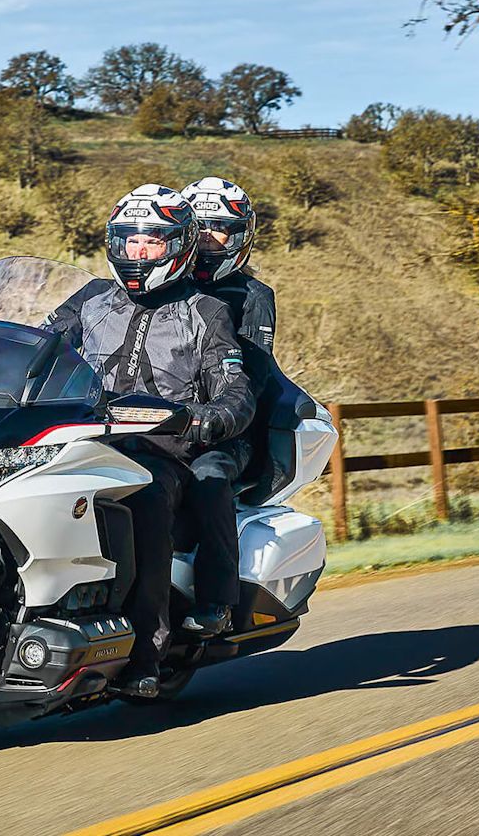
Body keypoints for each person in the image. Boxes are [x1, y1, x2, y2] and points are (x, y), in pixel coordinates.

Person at [43, 184, 255, 698]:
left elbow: (236, 383)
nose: (137, 254)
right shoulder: (91, 297)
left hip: (163, 450)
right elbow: (40, 343)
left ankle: (145, 652)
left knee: (148, 503)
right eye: (128, 241)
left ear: (178, 246)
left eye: (151, 243)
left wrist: (213, 416)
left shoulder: (205, 310)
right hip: (80, 436)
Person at [175, 176, 276, 637]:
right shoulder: (164, 286)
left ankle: (217, 599)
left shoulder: (252, 298)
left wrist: (208, 417)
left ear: (240, 237)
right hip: (154, 420)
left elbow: (248, 379)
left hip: (227, 431)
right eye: (201, 226)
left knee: (209, 477)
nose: (209, 238)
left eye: (221, 229)